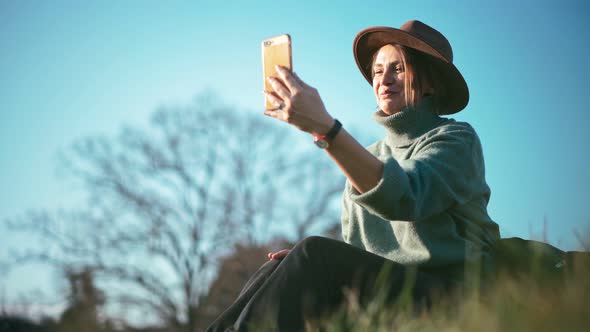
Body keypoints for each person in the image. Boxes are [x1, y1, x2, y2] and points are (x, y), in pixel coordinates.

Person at [206, 20, 500, 332]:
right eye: (377, 71)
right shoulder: (368, 158)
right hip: (386, 291)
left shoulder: (455, 140)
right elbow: (360, 251)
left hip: (451, 297)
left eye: (397, 69)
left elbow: (405, 197)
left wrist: (325, 129)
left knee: (313, 253)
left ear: (431, 83)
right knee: (277, 266)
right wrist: (296, 267)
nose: (383, 79)